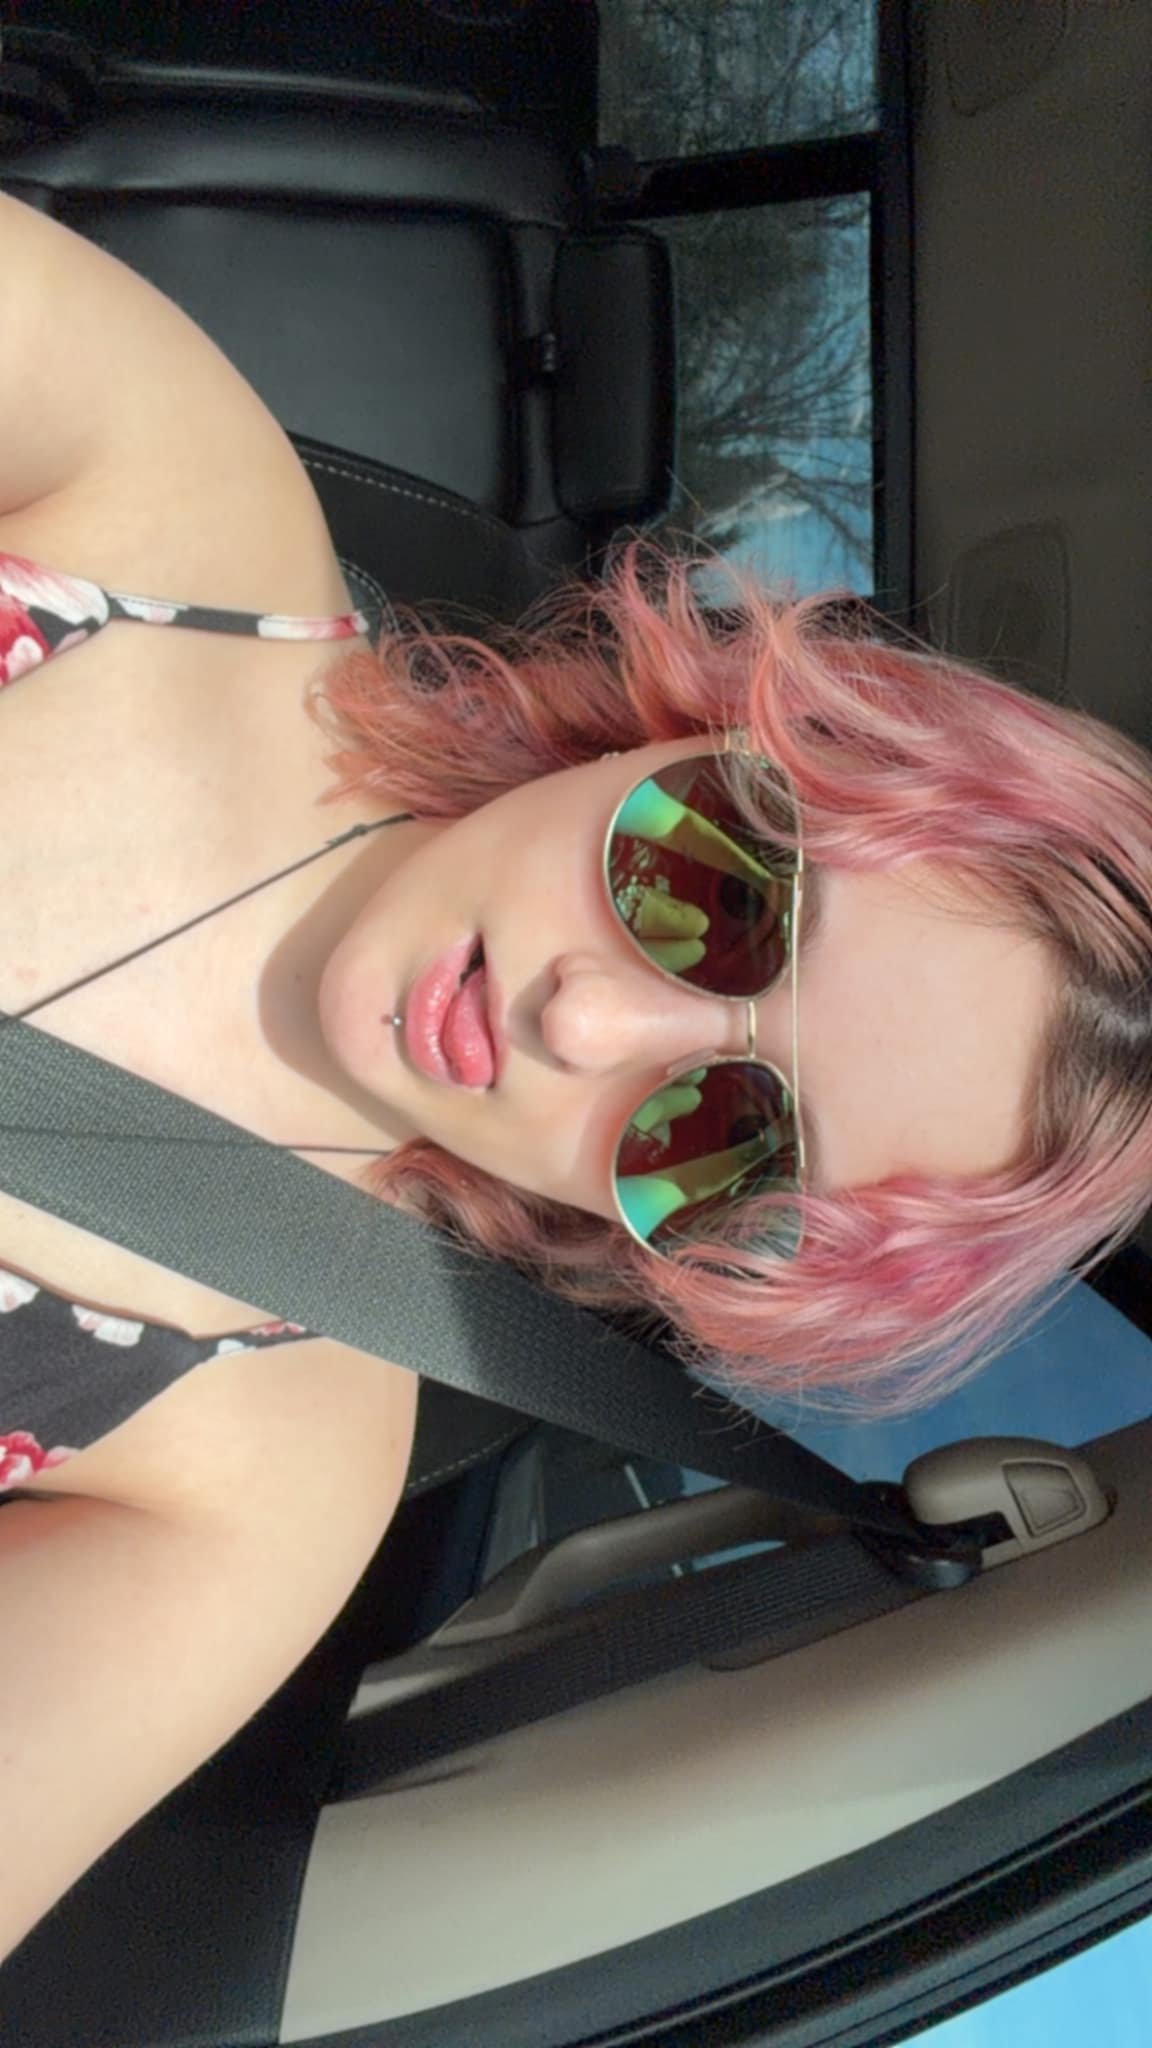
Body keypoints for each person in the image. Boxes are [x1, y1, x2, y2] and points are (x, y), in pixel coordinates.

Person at [1, 191, 1150, 1967]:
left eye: (731, 1143)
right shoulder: (171, 511)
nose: (588, 1029)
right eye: (717, 892)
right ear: (740, 725)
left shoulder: (261, 1482)